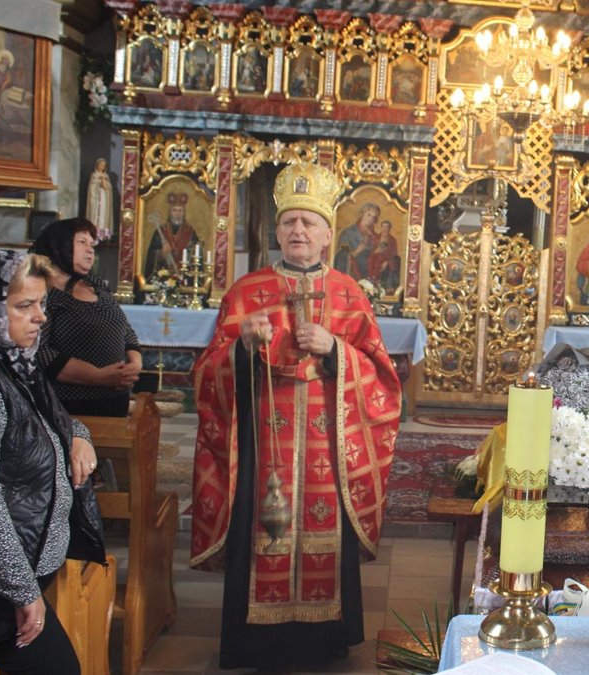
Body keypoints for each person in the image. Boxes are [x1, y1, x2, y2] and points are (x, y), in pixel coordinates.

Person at [191, 162, 401, 670]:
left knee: (324, 530)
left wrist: (336, 351)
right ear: (277, 231)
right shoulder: (246, 292)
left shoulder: (350, 294)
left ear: (328, 234)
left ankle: (324, 639)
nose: (298, 231)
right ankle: (255, 642)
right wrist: (243, 346)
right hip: (263, 445)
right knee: (262, 531)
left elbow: (384, 381)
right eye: (289, 222)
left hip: (329, 447)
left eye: (309, 222)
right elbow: (206, 374)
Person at [0, 250, 99, 674]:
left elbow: (49, 422)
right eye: (24, 306)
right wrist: (22, 591)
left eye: (41, 303)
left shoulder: (13, 364)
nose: (40, 317)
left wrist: (79, 437)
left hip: (16, 575)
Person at [32, 217, 141, 417]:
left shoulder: (96, 285)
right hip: (70, 404)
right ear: (60, 246)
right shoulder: (43, 291)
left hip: (115, 398)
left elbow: (124, 328)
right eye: (82, 242)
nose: (90, 250)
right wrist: (96, 376)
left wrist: (135, 363)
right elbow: (39, 350)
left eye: (92, 244)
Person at [144, 191, 200, 282]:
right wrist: (161, 253)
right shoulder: (161, 231)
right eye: (174, 210)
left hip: (184, 275)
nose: (177, 214)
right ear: (169, 212)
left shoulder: (190, 232)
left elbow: (196, 254)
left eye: (180, 210)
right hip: (163, 275)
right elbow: (151, 255)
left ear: (184, 212)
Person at [84, 159, 114, 241]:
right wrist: (98, 182)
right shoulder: (94, 175)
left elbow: (109, 188)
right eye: (100, 165)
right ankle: (94, 231)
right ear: (97, 165)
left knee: (102, 212)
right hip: (95, 198)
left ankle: (102, 233)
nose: (101, 167)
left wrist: (104, 182)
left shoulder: (106, 176)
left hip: (103, 197)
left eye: (103, 165)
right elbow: (92, 187)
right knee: (95, 213)